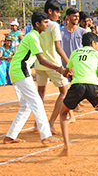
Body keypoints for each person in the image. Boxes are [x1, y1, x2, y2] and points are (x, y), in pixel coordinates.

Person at [3, 11, 63, 144]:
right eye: (45, 22)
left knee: (26, 106)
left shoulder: (34, 36)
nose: (47, 24)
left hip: (17, 70)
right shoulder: (33, 37)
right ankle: (46, 136)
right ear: (37, 24)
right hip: (20, 70)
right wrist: (58, 68)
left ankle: (10, 136)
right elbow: (41, 60)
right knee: (37, 102)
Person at [59, 32, 98, 157]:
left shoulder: (75, 53)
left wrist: (66, 72)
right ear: (93, 43)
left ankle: (67, 148)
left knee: (63, 113)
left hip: (77, 86)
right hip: (93, 86)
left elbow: (65, 74)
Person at [34, 0, 75, 135]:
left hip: (39, 64)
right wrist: (69, 64)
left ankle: (37, 123)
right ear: (50, 12)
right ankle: (50, 123)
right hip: (53, 64)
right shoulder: (53, 26)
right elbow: (58, 48)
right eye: (57, 12)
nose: (59, 15)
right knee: (64, 92)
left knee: (41, 93)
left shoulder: (37, 25)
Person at [61, 8, 88, 112]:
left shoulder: (83, 32)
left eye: (78, 16)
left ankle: (75, 103)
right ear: (68, 17)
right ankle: (71, 106)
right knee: (65, 86)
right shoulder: (61, 32)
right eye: (74, 16)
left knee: (77, 84)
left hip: (79, 63)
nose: (77, 18)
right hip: (65, 64)